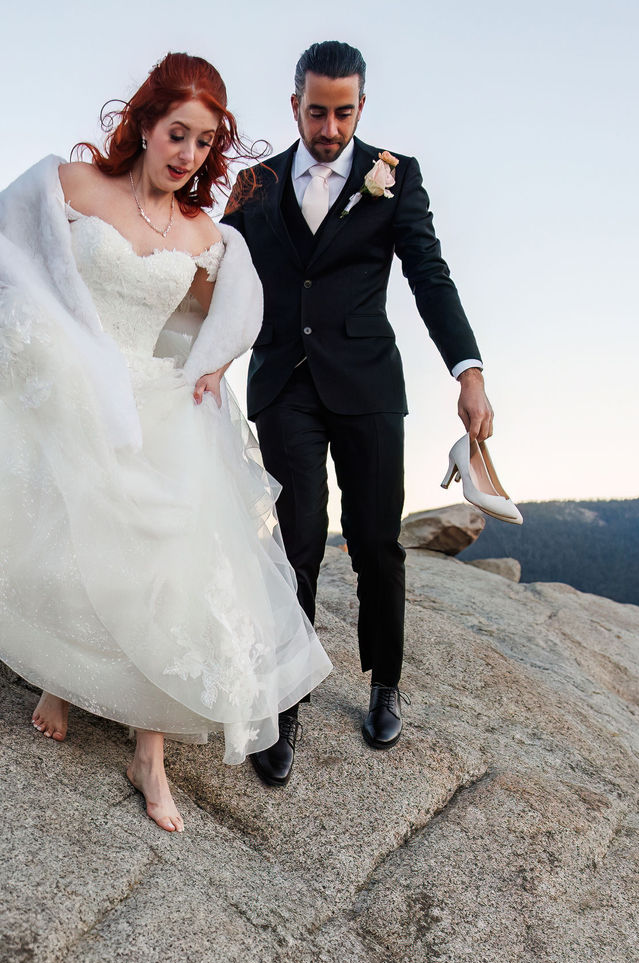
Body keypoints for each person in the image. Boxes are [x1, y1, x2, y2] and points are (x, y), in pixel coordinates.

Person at [0, 53, 331, 833]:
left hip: (147, 398)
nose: (186, 154)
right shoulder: (75, 187)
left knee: (167, 548)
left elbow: (210, 326)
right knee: (58, 523)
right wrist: (31, 342)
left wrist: (209, 368)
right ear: (145, 124)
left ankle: (146, 752)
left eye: (202, 142)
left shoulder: (205, 237)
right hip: (69, 384)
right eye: (176, 133)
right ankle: (65, 675)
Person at [223, 39, 519, 787]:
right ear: (294, 105)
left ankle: (384, 678)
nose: (329, 127)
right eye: (316, 112)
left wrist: (468, 369)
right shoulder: (254, 183)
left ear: (362, 106)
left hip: (368, 384)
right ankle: (284, 698)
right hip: (284, 380)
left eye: (343, 112)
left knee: (376, 540)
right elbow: (222, 274)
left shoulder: (397, 176)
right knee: (296, 539)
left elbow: (429, 275)